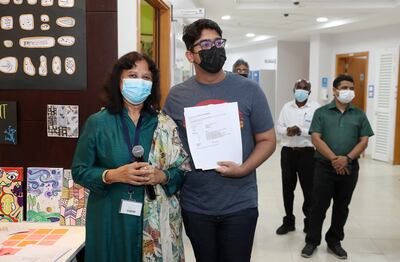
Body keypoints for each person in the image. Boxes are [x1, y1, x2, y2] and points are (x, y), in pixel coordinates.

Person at [163, 19, 276, 262]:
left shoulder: (250, 90)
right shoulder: (177, 96)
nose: (214, 48)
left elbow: (267, 139)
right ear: (190, 55)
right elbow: (169, 148)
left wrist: (244, 169)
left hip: (240, 203)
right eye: (205, 43)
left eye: (218, 42)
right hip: (196, 203)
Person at [71, 51, 190, 262]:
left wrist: (161, 176)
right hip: (109, 218)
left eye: (146, 78)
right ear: (119, 80)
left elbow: (182, 171)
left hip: (154, 222)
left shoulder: (164, 124)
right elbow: (80, 171)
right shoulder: (98, 123)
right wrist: (112, 175)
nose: (140, 82)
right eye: (133, 75)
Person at [301, 74, 374, 260]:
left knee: (342, 207)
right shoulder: (322, 112)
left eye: (351, 88)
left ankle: (334, 241)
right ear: (335, 91)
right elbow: (316, 138)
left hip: (349, 168)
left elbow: (364, 140)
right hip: (324, 167)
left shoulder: (359, 114)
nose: (348, 91)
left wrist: (347, 158)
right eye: (344, 88)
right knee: (318, 206)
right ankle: (312, 241)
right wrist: (335, 159)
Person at [275, 79, 320, 235]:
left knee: (309, 190)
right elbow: (278, 126)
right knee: (287, 188)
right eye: (298, 88)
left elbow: (317, 130)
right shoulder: (286, 107)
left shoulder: (316, 108)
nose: (301, 90)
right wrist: (287, 130)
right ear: (293, 90)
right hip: (287, 153)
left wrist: (300, 130)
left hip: (307, 153)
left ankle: (309, 222)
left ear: (310, 91)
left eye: (305, 88)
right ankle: (288, 221)